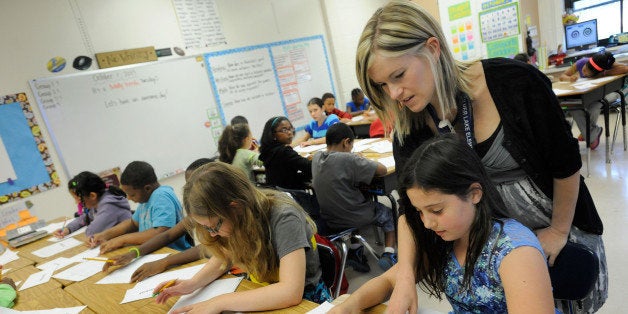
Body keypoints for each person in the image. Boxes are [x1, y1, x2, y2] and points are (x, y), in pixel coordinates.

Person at [355, 1, 606, 312]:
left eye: (399, 75)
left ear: (433, 49)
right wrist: (405, 275)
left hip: (551, 232)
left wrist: (557, 230)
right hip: (485, 248)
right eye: (382, 85)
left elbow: (566, 164)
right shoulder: (410, 125)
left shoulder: (515, 83)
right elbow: (410, 208)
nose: (393, 93)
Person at [329, 135, 555, 313]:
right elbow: (390, 279)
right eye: (419, 212)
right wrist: (351, 305)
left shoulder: (515, 252)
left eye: (436, 210)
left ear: (474, 193)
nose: (427, 223)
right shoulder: (446, 238)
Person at [153, 162, 332, 312]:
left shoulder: (284, 217)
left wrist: (217, 302)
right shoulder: (237, 219)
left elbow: (290, 292)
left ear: (236, 207)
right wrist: (192, 284)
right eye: (205, 228)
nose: (212, 234)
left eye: (214, 226)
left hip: (306, 302)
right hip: (263, 290)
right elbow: (225, 256)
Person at [103, 158, 216, 282]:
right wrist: (134, 253)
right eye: (188, 186)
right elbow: (168, 235)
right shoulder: (196, 212)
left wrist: (165, 262)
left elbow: (212, 249)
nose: (189, 192)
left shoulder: (161, 196)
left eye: (195, 186)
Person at [311, 123, 397, 272]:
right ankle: (389, 254)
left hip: (329, 218)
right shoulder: (349, 160)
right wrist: (357, 158)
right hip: (354, 216)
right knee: (388, 212)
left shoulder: (316, 157)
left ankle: (356, 251)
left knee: (348, 201)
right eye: (351, 145)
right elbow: (382, 170)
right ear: (346, 142)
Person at [90, 161, 192, 254]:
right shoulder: (146, 199)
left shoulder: (161, 196)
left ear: (147, 188)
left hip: (172, 253)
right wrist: (104, 235)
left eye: (132, 195)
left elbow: (160, 233)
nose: (129, 198)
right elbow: (132, 223)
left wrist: (122, 239)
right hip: (155, 253)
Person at [559, 51, 628, 149]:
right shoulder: (582, 62)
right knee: (573, 106)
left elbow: (626, 68)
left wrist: (605, 73)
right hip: (590, 94)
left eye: (587, 73)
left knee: (594, 106)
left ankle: (587, 133)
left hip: (609, 92)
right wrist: (569, 79)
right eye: (584, 69)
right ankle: (593, 133)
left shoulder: (604, 63)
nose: (583, 72)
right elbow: (562, 76)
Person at [53, 171, 131, 239]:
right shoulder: (97, 202)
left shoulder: (109, 206)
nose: (76, 203)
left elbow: (91, 232)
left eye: (78, 199)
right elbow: (84, 218)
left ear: (92, 196)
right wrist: (68, 229)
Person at [259, 116, 312, 190]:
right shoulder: (284, 151)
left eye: (290, 128)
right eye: (284, 130)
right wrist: (314, 159)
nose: (290, 133)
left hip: (277, 193)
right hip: (292, 194)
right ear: (273, 134)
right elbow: (310, 167)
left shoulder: (268, 150)